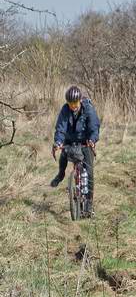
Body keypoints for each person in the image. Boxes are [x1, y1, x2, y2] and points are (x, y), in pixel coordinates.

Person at [50, 86, 101, 214]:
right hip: (70, 140)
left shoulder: (88, 108)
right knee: (63, 157)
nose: (73, 106)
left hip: (86, 142)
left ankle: (89, 204)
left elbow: (94, 127)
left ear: (80, 100)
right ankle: (60, 175)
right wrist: (58, 142)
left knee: (89, 173)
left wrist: (92, 140)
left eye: (75, 103)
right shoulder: (65, 109)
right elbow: (61, 127)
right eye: (70, 103)